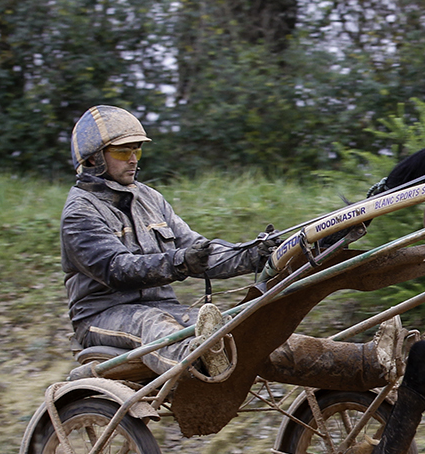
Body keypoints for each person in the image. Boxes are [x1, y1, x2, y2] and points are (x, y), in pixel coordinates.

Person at [60, 106, 275, 378]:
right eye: (122, 151)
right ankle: (198, 370)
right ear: (93, 159)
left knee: (227, 327)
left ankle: (222, 362)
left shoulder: (151, 199)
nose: (133, 159)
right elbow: (116, 269)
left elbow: (200, 252)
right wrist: (179, 262)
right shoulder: (81, 211)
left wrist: (253, 254)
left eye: (137, 150)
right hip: (102, 316)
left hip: (164, 308)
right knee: (153, 323)